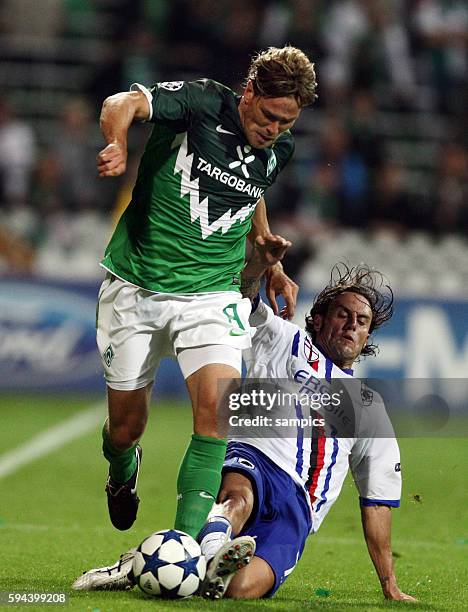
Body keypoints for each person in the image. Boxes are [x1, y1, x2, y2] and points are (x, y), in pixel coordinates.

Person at [74, 252, 416, 602]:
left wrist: (389, 585)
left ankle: (158, 561)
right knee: (238, 496)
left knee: (239, 590)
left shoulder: (370, 408)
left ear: (368, 336)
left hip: (297, 510)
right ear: (317, 318)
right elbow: (246, 295)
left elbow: (376, 501)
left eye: (362, 321)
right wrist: (262, 263)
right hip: (254, 457)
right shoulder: (283, 338)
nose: (351, 325)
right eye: (343, 314)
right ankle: (206, 545)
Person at [94, 45, 317, 539]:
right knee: (125, 430)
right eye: (269, 116)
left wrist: (264, 248)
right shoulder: (200, 103)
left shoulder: (280, 148)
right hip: (137, 285)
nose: (274, 130)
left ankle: (184, 548)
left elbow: (252, 187)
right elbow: (120, 103)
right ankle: (121, 468)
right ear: (249, 92)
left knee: (216, 415)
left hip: (214, 293)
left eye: (287, 122)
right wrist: (119, 143)